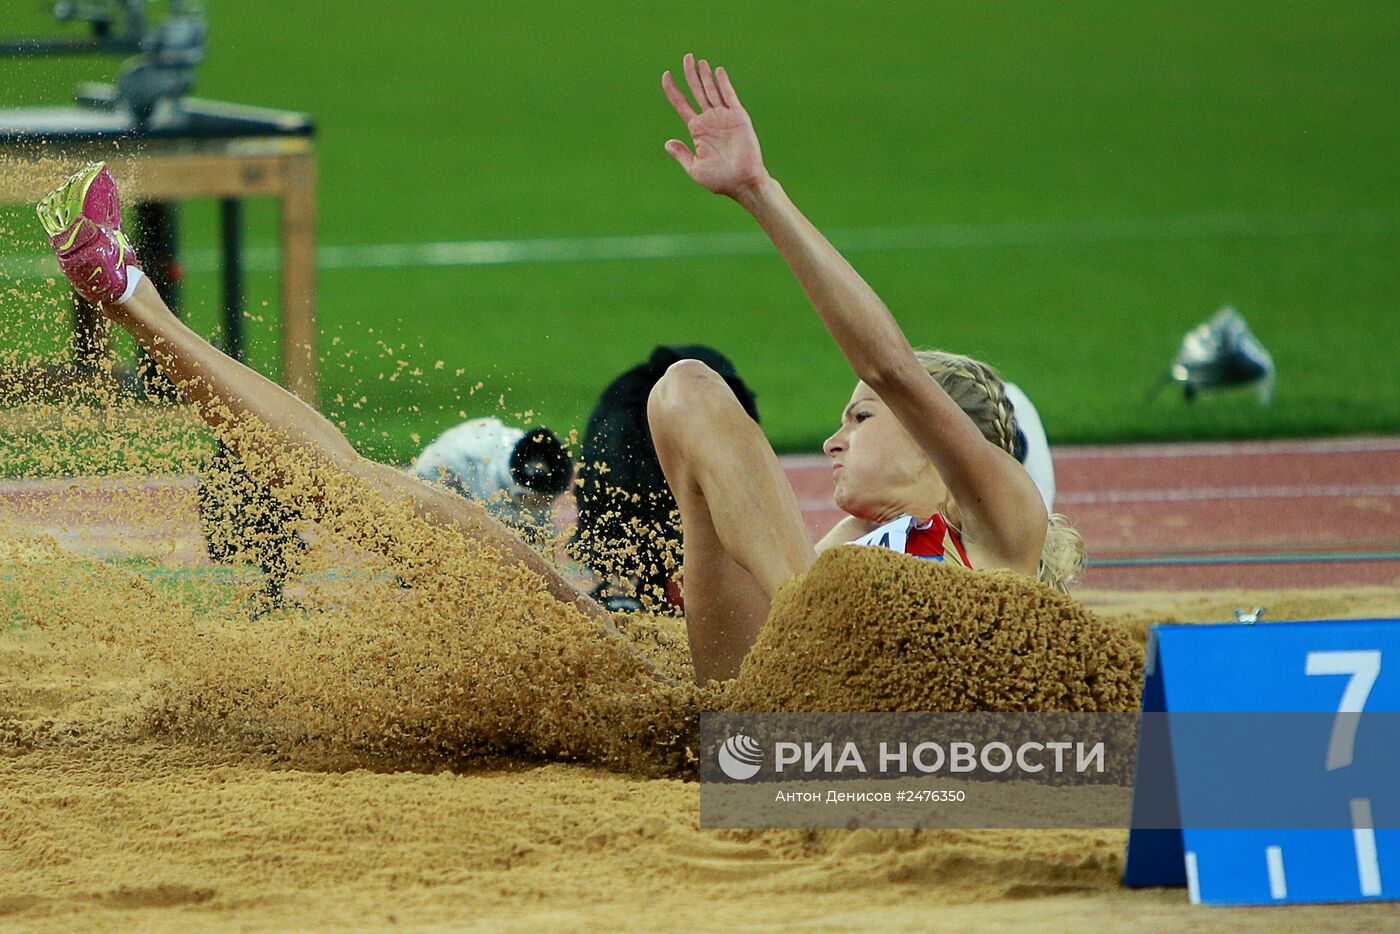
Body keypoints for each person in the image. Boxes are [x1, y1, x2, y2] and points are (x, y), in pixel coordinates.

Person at [36, 54, 1081, 685]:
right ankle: (132, 296)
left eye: (860, 418)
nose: (834, 435)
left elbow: (890, 362)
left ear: (956, 445)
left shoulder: (1002, 533)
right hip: (736, 713)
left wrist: (760, 193)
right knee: (413, 503)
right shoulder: (856, 542)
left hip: (830, 735)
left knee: (699, 396)